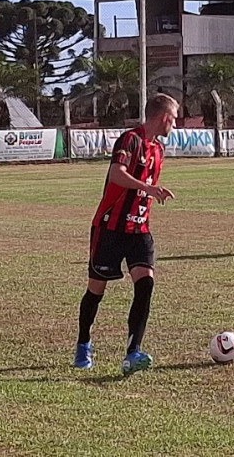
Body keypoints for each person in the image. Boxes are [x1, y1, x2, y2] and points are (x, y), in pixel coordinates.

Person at [74, 93, 179, 375]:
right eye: (175, 119)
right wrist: (149, 189)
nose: (175, 125)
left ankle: (133, 352)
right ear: (165, 117)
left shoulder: (158, 149)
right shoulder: (130, 140)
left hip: (139, 229)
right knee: (96, 291)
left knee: (146, 284)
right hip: (110, 227)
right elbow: (116, 174)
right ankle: (83, 342)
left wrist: (151, 192)